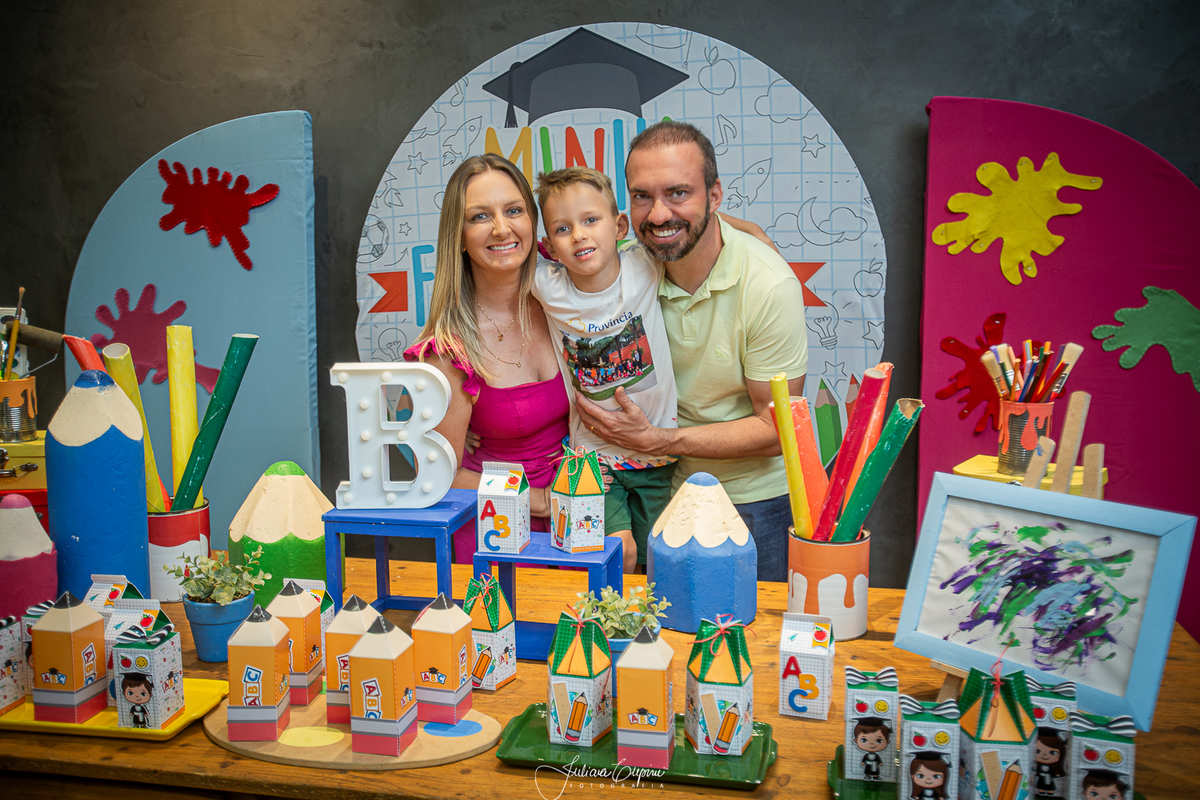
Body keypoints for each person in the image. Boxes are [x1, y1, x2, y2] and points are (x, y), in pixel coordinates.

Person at [576, 120, 809, 582]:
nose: (658, 214)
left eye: (678, 193)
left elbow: (775, 429)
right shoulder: (627, 268)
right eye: (642, 196)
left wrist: (660, 440)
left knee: (749, 624)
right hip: (657, 487)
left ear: (714, 195)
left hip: (751, 500)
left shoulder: (768, 284)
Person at [404, 154, 634, 565]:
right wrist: (541, 499)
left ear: (533, 221)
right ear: (458, 236)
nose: (501, 228)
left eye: (513, 210)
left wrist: (744, 231)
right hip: (499, 527)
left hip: (579, 509)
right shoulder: (449, 349)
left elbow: (642, 253)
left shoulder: (565, 297)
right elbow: (439, 475)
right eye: (479, 216)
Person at [532, 166, 678, 572]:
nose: (578, 235)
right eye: (563, 229)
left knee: (656, 562)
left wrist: (751, 232)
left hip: (656, 453)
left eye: (591, 220)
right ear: (549, 246)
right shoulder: (546, 285)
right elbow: (484, 281)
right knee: (617, 552)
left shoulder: (644, 264)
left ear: (620, 226)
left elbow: (694, 224)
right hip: (592, 457)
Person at [1035, 728, 1067, 797]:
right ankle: (1041, 790)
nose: (1045, 755)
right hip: (1041, 777)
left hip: (1049, 777)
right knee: (1041, 784)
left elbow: (1054, 771)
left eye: (1053, 752)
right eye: (1038, 751)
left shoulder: (1053, 767)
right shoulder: (1038, 766)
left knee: (1051, 784)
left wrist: (1056, 773)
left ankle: (1050, 790)